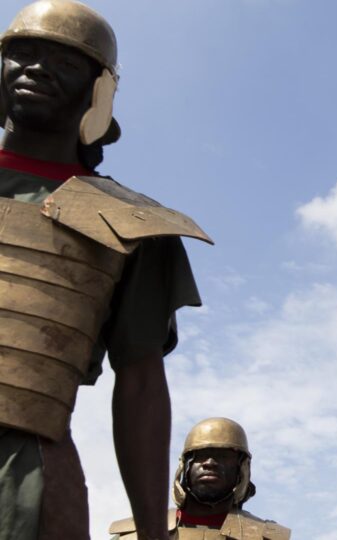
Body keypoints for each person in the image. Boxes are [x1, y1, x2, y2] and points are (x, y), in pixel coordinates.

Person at [0, 1, 212, 538]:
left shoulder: (128, 223)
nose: (37, 69)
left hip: (27, 478)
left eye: (65, 63)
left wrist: (151, 531)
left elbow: (140, 384)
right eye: (21, 54)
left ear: (99, 90)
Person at [108, 418, 292, 540]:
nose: (210, 463)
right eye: (201, 456)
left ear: (241, 469)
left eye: (223, 456)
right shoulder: (134, 534)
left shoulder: (266, 537)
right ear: (185, 467)